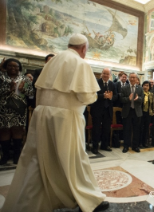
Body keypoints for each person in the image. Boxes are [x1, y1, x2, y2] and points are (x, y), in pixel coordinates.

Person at [2, 34, 109, 212]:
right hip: (65, 118)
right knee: (73, 159)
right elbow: (86, 97)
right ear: (83, 48)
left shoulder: (52, 61)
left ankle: (30, 202)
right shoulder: (80, 63)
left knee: (41, 160)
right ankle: (88, 199)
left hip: (42, 116)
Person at [0, 58, 34, 165]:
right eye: (10, 66)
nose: (13, 68)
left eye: (16, 66)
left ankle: (17, 156)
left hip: (19, 108)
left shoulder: (25, 79)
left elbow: (31, 94)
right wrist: (8, 89)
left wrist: (24, 89)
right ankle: (4, 156)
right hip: (4, 108)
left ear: (19, 68)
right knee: (4, 130)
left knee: (17, 130)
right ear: (6, 67)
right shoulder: (1, 78)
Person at [90, 68, 118, 154]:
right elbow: (92, 95)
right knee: (96, 129)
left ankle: (104, 145)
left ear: (110, 75)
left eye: (107, 74)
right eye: (104, 73)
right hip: (97, 109)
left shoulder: (112, 84)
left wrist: (111, 97)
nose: (106, 75)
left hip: (108, 110)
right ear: (101, 74)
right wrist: (103, 96)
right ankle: (95, 147)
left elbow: (116, 96)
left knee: (106, 129)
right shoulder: (96, 83)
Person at [121, 72, 144, 153]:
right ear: (129, 78)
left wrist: (138, 98)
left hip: (137, 112)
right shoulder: (124, 88)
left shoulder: (140, 88)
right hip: (127, 111)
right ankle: (126, 146)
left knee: (136, 130)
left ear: (136, 79)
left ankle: (135, 146)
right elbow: (121, 100)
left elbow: (142, 100)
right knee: (127, 130)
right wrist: (128, 99)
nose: (132, 79)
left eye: (134, 77)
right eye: (131, 77)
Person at [140, 81, 154, 148]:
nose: (146, 87)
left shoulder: (151, 94)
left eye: (147, 85)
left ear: (149, 87)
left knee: (146, 128)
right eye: (144, 85)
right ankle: (139, 142)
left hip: (148, 113)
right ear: (142, 86)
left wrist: (153, 111)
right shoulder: (140, 93)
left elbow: (153, 104)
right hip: (141, 113)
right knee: (140, 128)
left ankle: (145, 142)